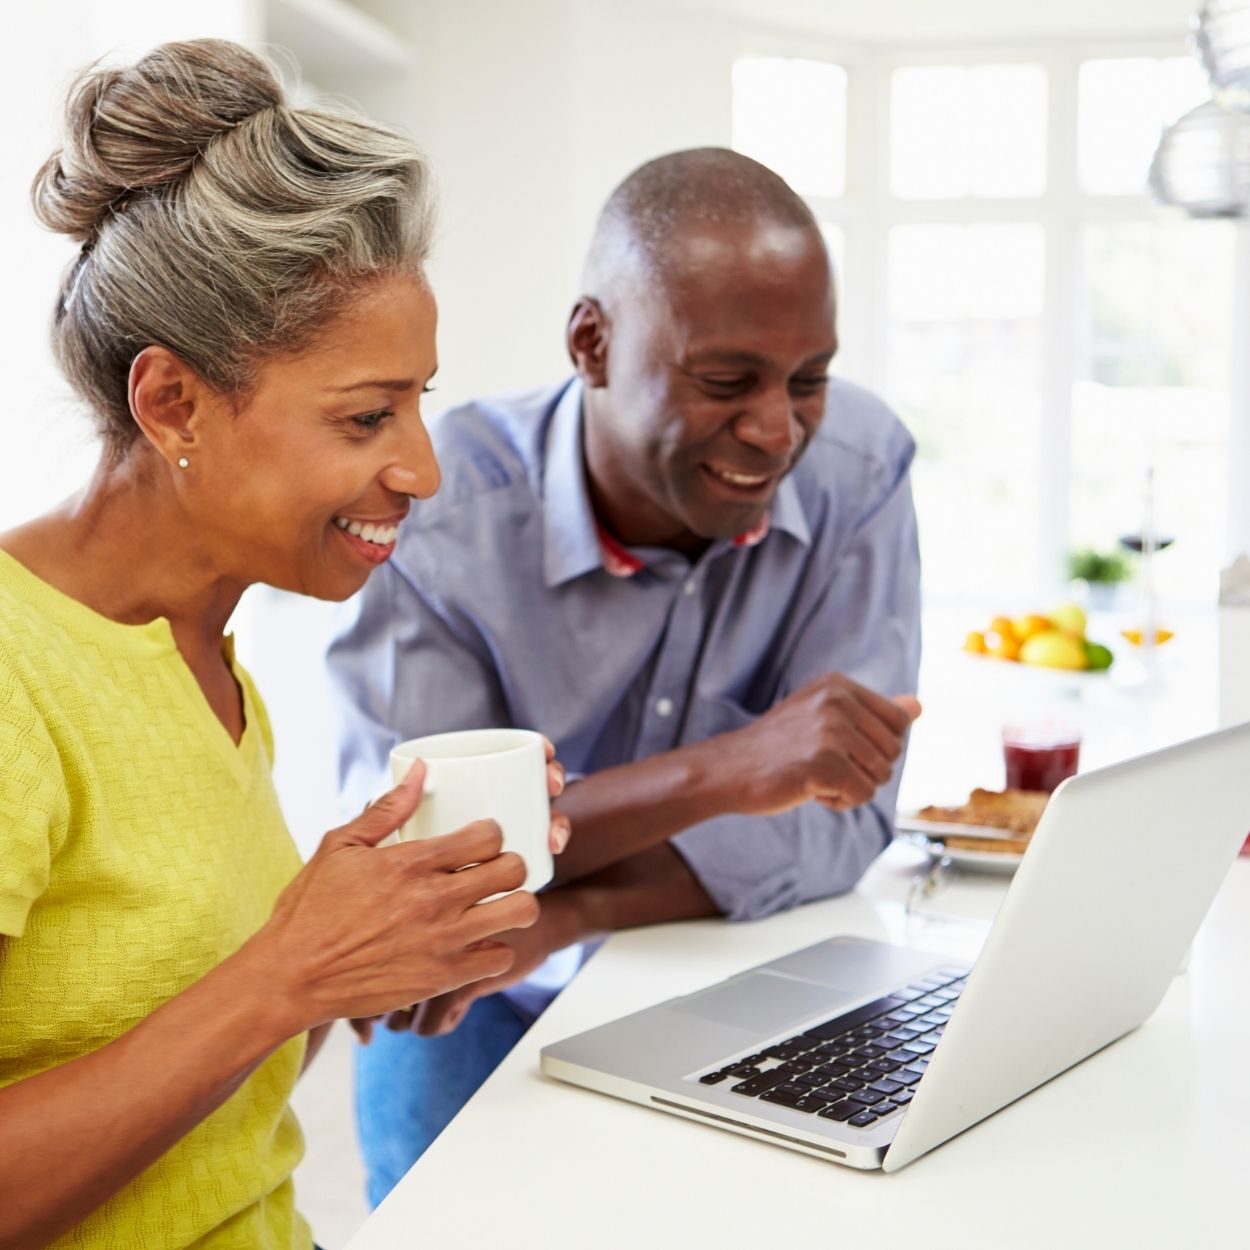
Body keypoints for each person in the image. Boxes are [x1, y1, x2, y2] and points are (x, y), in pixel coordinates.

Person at [0, 39, 568, 1250]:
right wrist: (288, 972)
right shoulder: (15, 672)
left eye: (418, 400)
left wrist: (377, 955)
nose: (420, 467)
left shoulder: (204, 658)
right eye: (367, 415)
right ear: (172, 405)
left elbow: (195, 1058)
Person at [327, 146, 923, 1206]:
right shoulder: (438, 507)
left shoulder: (861, 468)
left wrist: (558, 912)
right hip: (471, 998)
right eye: (725, 380)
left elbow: (841, 819)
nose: (776, 430)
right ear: (590, 344)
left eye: (808, 380)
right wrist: (734, 770)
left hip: (713, 977)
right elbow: (419, 874)